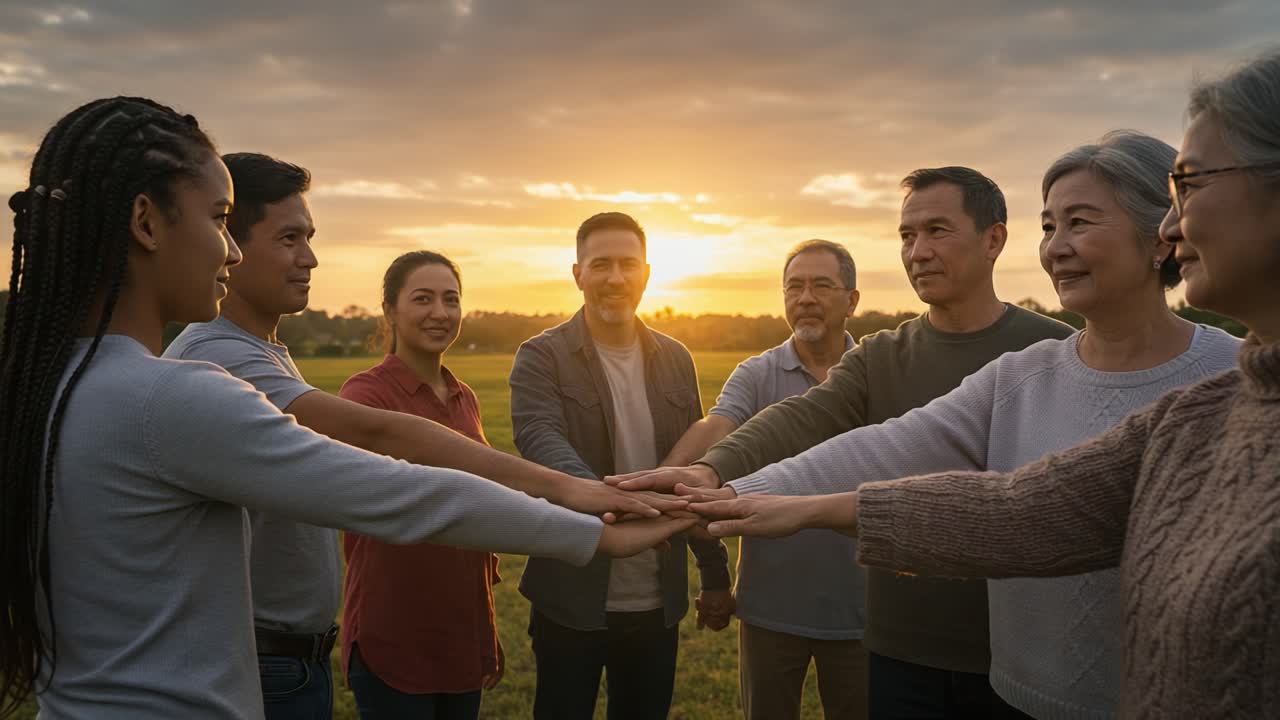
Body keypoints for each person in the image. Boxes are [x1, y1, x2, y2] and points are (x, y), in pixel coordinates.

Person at [0, 97, 694, 720]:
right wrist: (592, 529)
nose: (229, 249)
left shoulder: (48, 386)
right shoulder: (171, 396)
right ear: (146, 223)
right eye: (218, 220)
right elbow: (400, 491)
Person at [684, 50, 1280, 719]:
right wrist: (726, 487)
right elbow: (994, 498)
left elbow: (1021, 514)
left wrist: (786, 504)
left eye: (1079, 223)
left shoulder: (1214, 383)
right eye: (1050, 225)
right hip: (992, 681)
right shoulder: (1022, 377)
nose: (1055, 245)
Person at [164, 153, 678, 719]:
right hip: (275, 660)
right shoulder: (219, 356)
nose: (310, 258)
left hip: (305, 657)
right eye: (289, 238)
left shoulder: (270, 358)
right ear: (230, 244)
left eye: (308, 238)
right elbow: (389, 447)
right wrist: (576, 503)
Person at [613, 169, 1074, 718]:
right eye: (907, 236)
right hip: (900, 645)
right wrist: (710, 473)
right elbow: (801, 417)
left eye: (937, 231)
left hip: (1017, 651)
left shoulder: (1053, 350)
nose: (918, 252)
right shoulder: (881, 357)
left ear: (994, 239)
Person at [508, 211, 732, 720]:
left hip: (658, 600)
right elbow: (540, 438)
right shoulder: (541, 356)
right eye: (600, 264)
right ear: (577, 273)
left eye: (627, 264)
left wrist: (714, 573)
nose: (614, 278)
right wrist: (613, 501)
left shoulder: (676, 358)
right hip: (571, 594)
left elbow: (693, 469)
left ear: (647, 273)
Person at [662, 239, 868, 720]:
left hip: (865, 607)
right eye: (794, 286)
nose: (806, 298)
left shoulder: (879, 371)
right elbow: (718, 426)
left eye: (821, 285)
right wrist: (666, 480)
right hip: (770, 605)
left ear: (852, 300)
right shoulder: (757, 374)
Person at [337, 251, 503, 719]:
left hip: (460, 633)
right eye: (423, 299)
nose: (440, 313)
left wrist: (484, 632)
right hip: (394, 634)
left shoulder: (462, 395)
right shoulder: (365, 395)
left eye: (451, 300)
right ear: (390, 310)